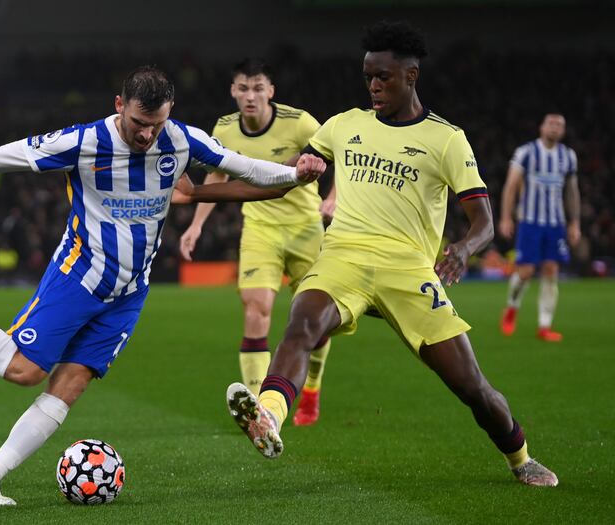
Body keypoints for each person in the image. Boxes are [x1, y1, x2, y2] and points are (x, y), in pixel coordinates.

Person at [0, 66, 327, 506]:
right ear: (119, 105)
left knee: (70, 384)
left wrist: (294, 173)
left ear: (170, 114)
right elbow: (3, 156)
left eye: (156, 124)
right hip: (79, 276)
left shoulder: (180, 140)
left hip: (130, 292)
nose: (146, 134)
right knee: (23, 371)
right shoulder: (82, 142)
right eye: (139, 121)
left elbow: (241, 165)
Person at [212, 21, 558, 486]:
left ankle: (521, 457)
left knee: (470, 385)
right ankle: (270, 416)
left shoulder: (446, 139)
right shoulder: (344, 124)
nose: (374, 86)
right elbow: (294, 170)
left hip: (408, 268)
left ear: (411, 76)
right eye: (368, 77)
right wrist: (302, 167)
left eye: (384, 77)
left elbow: (485, 222)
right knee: (302, 323)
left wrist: (463, 247)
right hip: (344, 257)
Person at [179, 58, 335, 426]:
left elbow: (337, 156)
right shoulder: (224, 129)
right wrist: (196, 224)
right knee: (256, 308)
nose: (251, 95)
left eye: (258, 87)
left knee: (316, 318)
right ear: (233, 91)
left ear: (271, 91)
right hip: (259, 230)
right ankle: (258, 410)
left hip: (305, 227)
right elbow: (218, 173)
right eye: (243, 88)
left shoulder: (300, 123)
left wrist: (333, 198)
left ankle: (311, 388)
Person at [499, 113, 580, 342]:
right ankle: (512, 307)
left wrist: (574, 222)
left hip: (556, 224)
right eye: (551, 124)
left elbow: (572, 191)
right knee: (525, 272)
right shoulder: (526, 152)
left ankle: (544, 326)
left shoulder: (568, 156)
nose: (555, 128)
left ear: (563, 131)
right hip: (530, 222)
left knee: (551, 272)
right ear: (541, 127)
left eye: (560, 125)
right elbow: (511, 185)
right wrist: (506, 217)